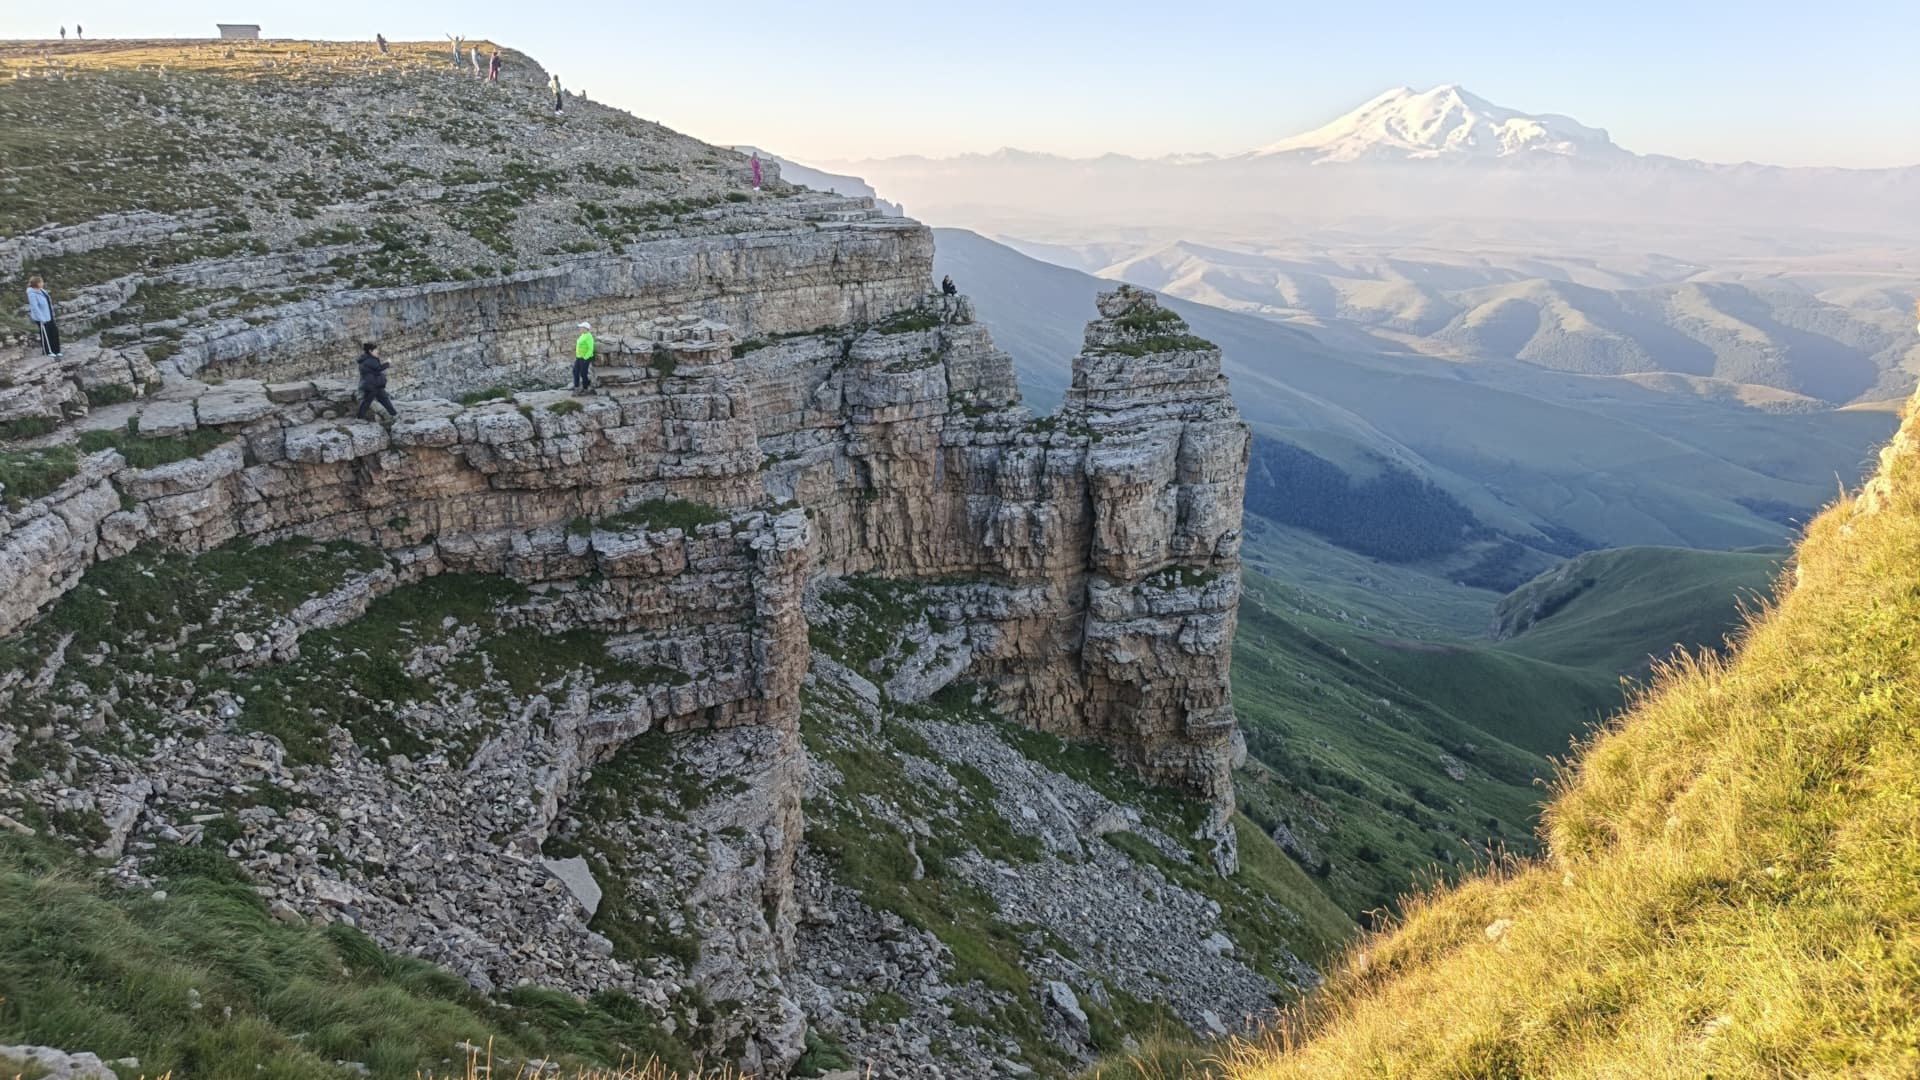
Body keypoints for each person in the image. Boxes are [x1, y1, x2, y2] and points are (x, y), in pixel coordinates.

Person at [355, 342, 396, 420]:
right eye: (375, 350)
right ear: (370, 351)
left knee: (384, 399)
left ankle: (393, 414)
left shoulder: (366, 359)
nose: (377, 351)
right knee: (367, 402)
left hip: (375, 384)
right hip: (371, 385)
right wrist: (388, 363)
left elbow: (375, 371)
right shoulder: (370, 360)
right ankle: (359, 418)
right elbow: (379, 368)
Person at [25, 277, 60, 358]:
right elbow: (35, 307)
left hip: (49, 316)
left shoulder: (42, 291)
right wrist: (41, 319)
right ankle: (47, 352)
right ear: (36, 284)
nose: (43, 283)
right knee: (45, 335)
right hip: (42, 318)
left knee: (54, 332)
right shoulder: (32, 294)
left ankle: (56, 351)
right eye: (41, 282)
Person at [572, 322, 595, 391]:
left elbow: (591, 348)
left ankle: (585, 388)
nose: (580, 328)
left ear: (586, 329)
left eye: (581, 327)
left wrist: (585, 358)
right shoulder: (582, 335)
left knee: (583, 373)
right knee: (575, 371)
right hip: (579, 357)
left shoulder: (589, 336)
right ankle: (576, 386)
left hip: (585, 357)